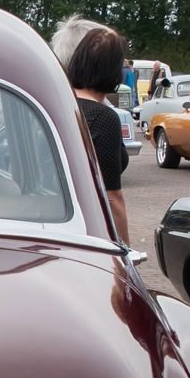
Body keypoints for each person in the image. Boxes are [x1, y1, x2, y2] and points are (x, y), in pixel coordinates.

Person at [57, 22, 129, 244]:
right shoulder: (104, 118)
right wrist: (125, 250)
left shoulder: (59, 103)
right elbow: (111, 197)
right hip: (88, 230)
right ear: (114, 71)